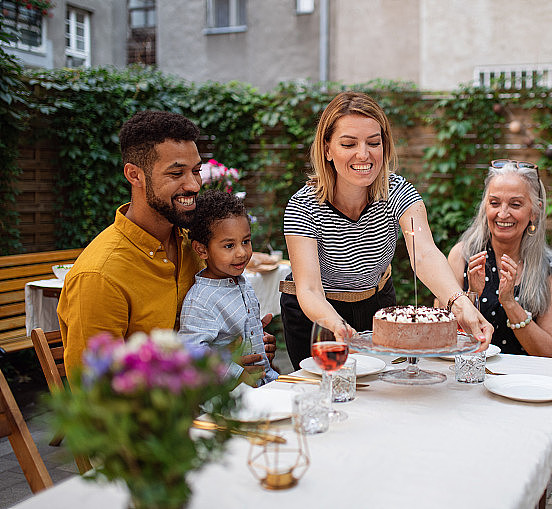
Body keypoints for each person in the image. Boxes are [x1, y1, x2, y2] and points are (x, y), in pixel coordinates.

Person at [280, 91, 493, 369]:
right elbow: (309, 289)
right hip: (315, 315)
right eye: (348, 144)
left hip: (376, 304)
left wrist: (459, 302)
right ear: (327, 149)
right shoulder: (303, 205)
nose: (363, 154)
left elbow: (424, 253)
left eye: (373, 142)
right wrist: (337, 326)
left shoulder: (399, 192)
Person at [57, 111, 275, 381]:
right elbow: (96, 396)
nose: (194, 185)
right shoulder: (99, 276)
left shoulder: (194, 244)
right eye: (176, 173)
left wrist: (245, 345)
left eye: (196, 171)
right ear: (134, 175)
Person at [447, 160, 552, 356]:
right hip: (472, 374)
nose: (503, 213)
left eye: (515, 204)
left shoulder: (550, 267)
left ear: (534, 211)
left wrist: (510, 303)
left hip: (523, 381)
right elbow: (440, 335)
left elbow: (550, 352)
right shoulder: (462, 255)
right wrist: (471, 296)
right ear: (485, 206)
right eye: (494, 203)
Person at [178, 190, 279, 386]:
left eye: (245, 242)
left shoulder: (240, 281)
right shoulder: (201, 300)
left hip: (264, 384)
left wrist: (258, 338)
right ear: (202, 250)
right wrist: (234, 373)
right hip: (233, 396)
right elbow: (192, 353)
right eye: (229, 246)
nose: (242, 253)